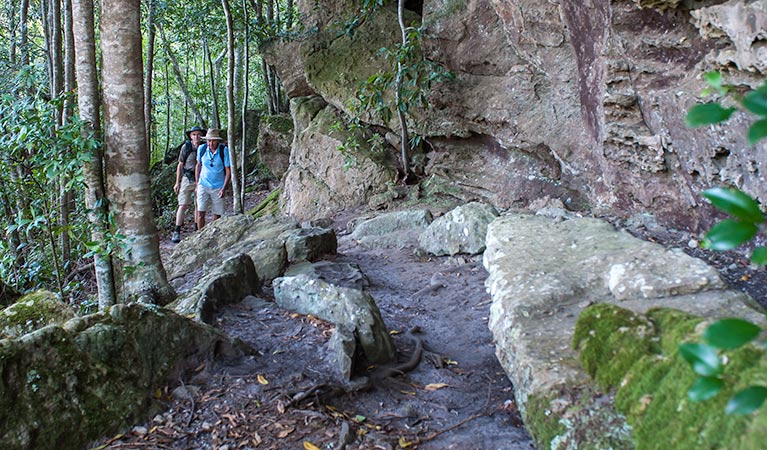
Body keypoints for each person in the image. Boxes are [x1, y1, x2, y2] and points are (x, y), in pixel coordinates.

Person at [171, 125, 205, 243]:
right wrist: (177, 182)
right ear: (190, 136)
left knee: (198, 205)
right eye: (194, 134)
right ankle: (177, 231)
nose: (196, 136)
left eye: (198, 134)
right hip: (187, 178)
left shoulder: (204, 147)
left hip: (200, 179)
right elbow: (180, 164)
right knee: (183, 205)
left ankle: (197, 230)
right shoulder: (186, 147)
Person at [195, 128, 231, 230]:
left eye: (213, 140)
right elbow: (198, 165)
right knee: (200, 211)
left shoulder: (224, 151)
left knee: (217, 214)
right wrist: (197, 184)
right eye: (209, 140)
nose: (211, 143)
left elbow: (228, 170)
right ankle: (199, 234)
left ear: (217, 141)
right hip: (203, 184)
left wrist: (224, 188)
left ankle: (212, 234)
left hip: (218, 186)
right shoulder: (201, 149)